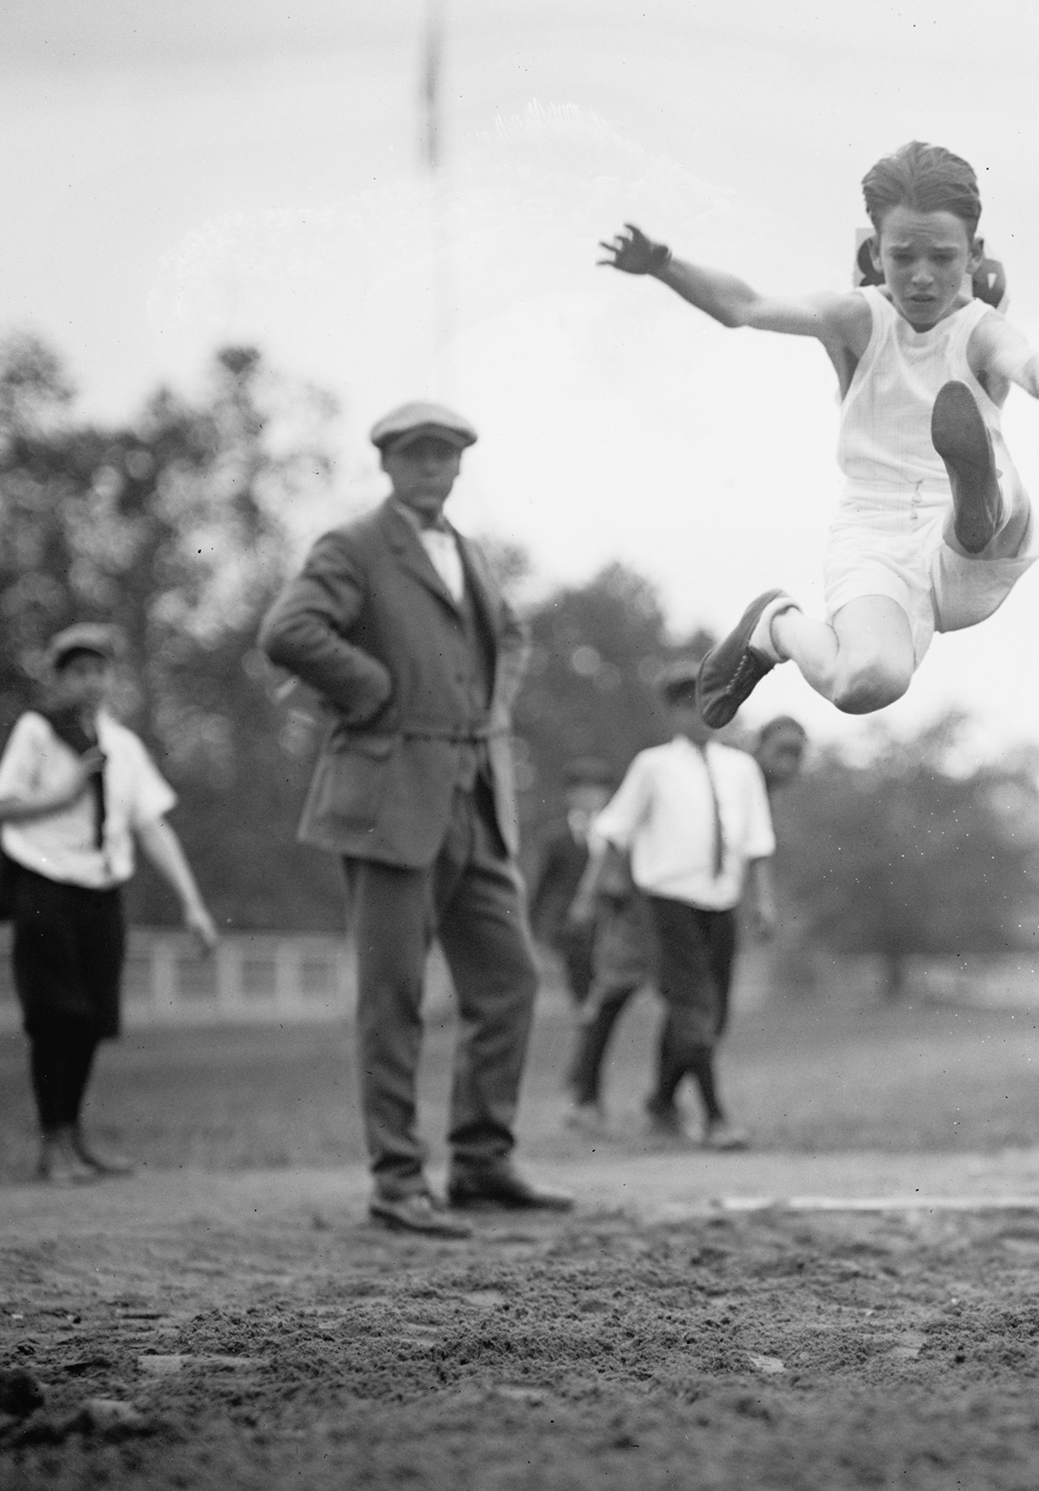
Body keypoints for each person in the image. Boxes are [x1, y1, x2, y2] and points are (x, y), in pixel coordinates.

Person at [599, 140, 1039, 727]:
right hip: (873, 534)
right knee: (865, 684)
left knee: (995, 504)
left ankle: (973, 488)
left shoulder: (979, 329)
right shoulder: (857, 318)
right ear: (875, 253)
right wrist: (663, 264)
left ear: (973, 255)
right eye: (904, 256)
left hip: (967, 552)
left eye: (943, 257)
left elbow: (1021, 355)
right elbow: (747, 306)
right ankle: (775, 627)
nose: (924, 278)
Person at [258, 401, 570, 1238]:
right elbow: (289, 631)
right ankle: (397, 1180)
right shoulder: (355, 544)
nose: (434, 467)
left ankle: (481, 1161)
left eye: (448, 455)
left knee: (510, 980)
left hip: (476, 795)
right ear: (389, 464)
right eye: (417, 454)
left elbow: (511, 633)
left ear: (462, 465)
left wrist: (494, 714)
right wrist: (370, 689)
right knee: (392, 994)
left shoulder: (465, 549)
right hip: (390, 796)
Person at [0, 624, 218, 1183]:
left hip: (101, 892)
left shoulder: (123, 746)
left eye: (100, 671)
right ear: (59, 678)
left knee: (91, 1018)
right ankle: (51, 1142)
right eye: (79, 671)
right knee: (55, 1016)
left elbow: (152, 826)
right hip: (45, 883)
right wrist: (63, 794)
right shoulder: (38, 732)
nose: (91, 683)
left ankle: (75, 1138)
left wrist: (194, 904)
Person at [561, 715, 805, 1134]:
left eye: (798, 755)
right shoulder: (674, 769)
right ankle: (590, 1094)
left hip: (708, 908)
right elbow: (627, 830)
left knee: (699, 1009)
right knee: (628, 993)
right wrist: (598, 891)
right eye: (781, 752)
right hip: (651, 907)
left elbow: (749, 847)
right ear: (758, 747)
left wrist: (759, 898)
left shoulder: (736, 776)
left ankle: (664, 1099)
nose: (790, 764)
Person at [527, 756, 616, 1008]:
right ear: (569, 795)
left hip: (606, 916)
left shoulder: (615, 833)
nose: (589, 798)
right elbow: (544, 883)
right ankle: (583, 1005)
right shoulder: (555, 837)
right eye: (582, 791)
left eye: (596, 791)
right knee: (577, 964)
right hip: (568, 919)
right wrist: (536, 923)